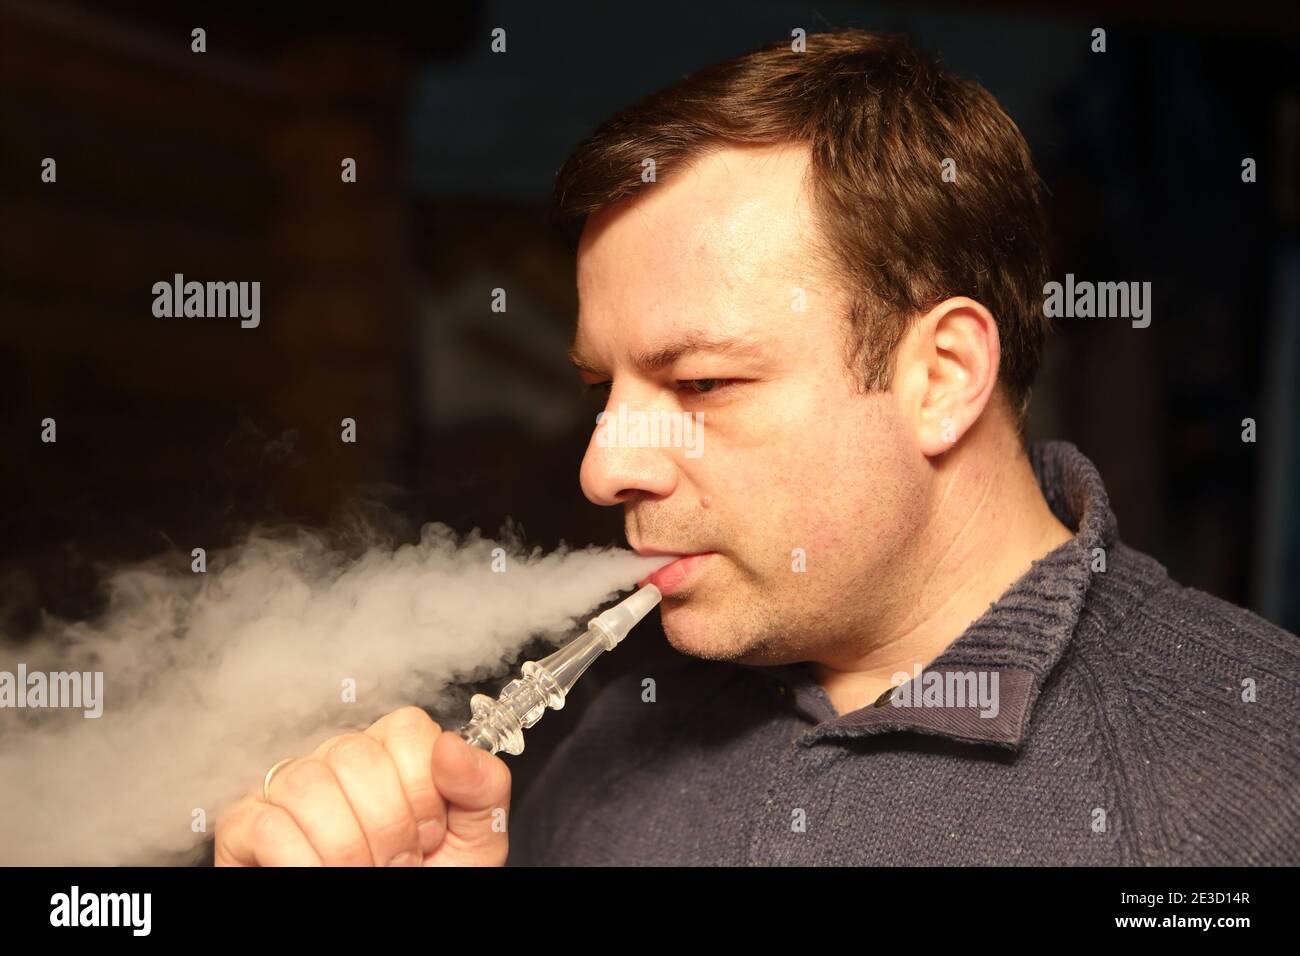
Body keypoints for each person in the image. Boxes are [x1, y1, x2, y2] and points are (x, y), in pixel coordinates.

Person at [215, 29, 1300, 867]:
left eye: (699, 382)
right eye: (605, 386)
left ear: (943, 376)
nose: (603, 469)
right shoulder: (624, 722)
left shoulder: (1255, 775)